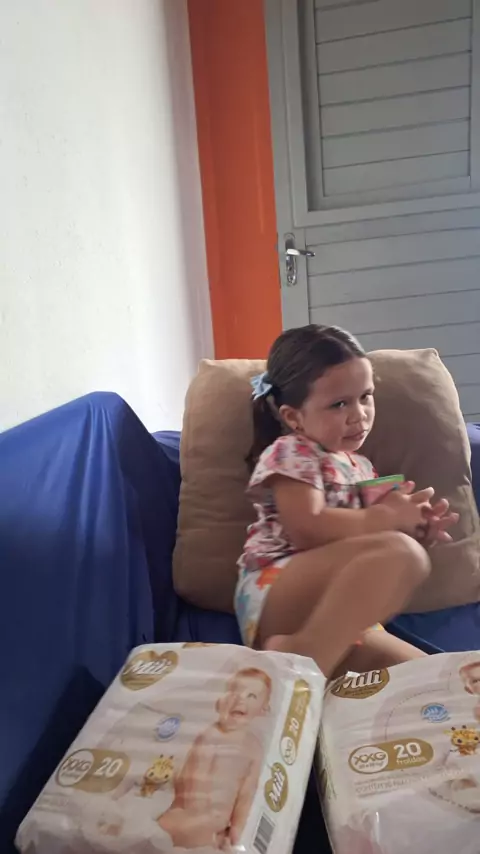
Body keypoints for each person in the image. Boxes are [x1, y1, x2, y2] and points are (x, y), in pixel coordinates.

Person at [234, 325, 458, 679]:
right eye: (339, 404)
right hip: (277, 589)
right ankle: (301, 660)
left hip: (342, 619)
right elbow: (307, 527)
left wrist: (417, 528)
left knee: (438, 677)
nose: (359, 414)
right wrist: (385, 520)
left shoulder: (362, 467)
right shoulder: (292, 451)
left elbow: (376, 548)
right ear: (293, 417)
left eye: (365, 397)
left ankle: (305, 664)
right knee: (402, 553)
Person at [158, 666, 271, 849]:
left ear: (263, 710)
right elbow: (193, 778)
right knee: (175, 826)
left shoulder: (254, 748)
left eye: (251, 696)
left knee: (227, 841)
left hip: (218, 824)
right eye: (235, 692)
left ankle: (213, 839)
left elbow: (246, 794)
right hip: (188, 813)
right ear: (220, 702)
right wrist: (202, 816)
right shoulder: (210, 736)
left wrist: (237, 827)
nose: (240, 699)